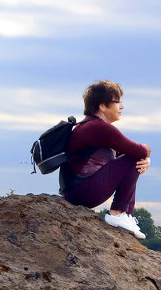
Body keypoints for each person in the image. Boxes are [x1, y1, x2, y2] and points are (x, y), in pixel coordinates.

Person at [60, 80, 151, 238]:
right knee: (132, 159)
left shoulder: (89, 126)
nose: (121, 107)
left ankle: (125, 215)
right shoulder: (99, 128)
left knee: (131, 158)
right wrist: (146, 155)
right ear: (102, 105)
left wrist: (143, 158)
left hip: (77, 191)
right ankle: (118, 213)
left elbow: (126, 156)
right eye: (118, 102)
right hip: (84, 191)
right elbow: (139, 151)